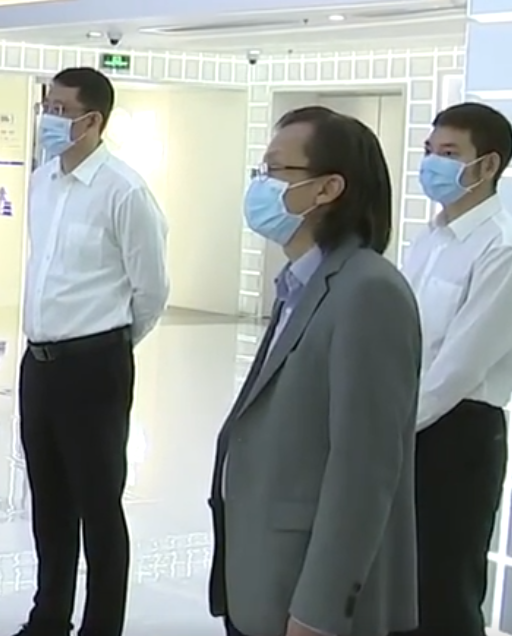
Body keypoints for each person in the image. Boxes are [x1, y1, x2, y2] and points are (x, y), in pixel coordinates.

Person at [209, 106, 421, 636]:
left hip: (304, 598)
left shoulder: (369, 291)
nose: (260, 187)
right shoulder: (301, 284)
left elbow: (364, 471)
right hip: (260, 578)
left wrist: (320, 611)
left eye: (274, 171)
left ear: (327, 188)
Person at [15, 67, 169, 637]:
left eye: (60, 109)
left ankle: (102, 624)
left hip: (94, 366)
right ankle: (49, 615)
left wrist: (107, 346)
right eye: (46, 106)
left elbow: (150, 289)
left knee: (99, 504)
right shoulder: (42, 181)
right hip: (39, 363)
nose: (48, 118)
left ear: (92, 120)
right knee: (48, 500)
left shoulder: (124, 191)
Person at [396, 103, 512, 636]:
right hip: (406, 424)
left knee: (442, 587)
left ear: (487, 165)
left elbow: (456, 371)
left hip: (456, 435)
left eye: (448, 153)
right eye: (429, 151)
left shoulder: (506, 251)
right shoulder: (429, 238)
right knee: (399, 582)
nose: (432, 164)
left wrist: (387, 427)